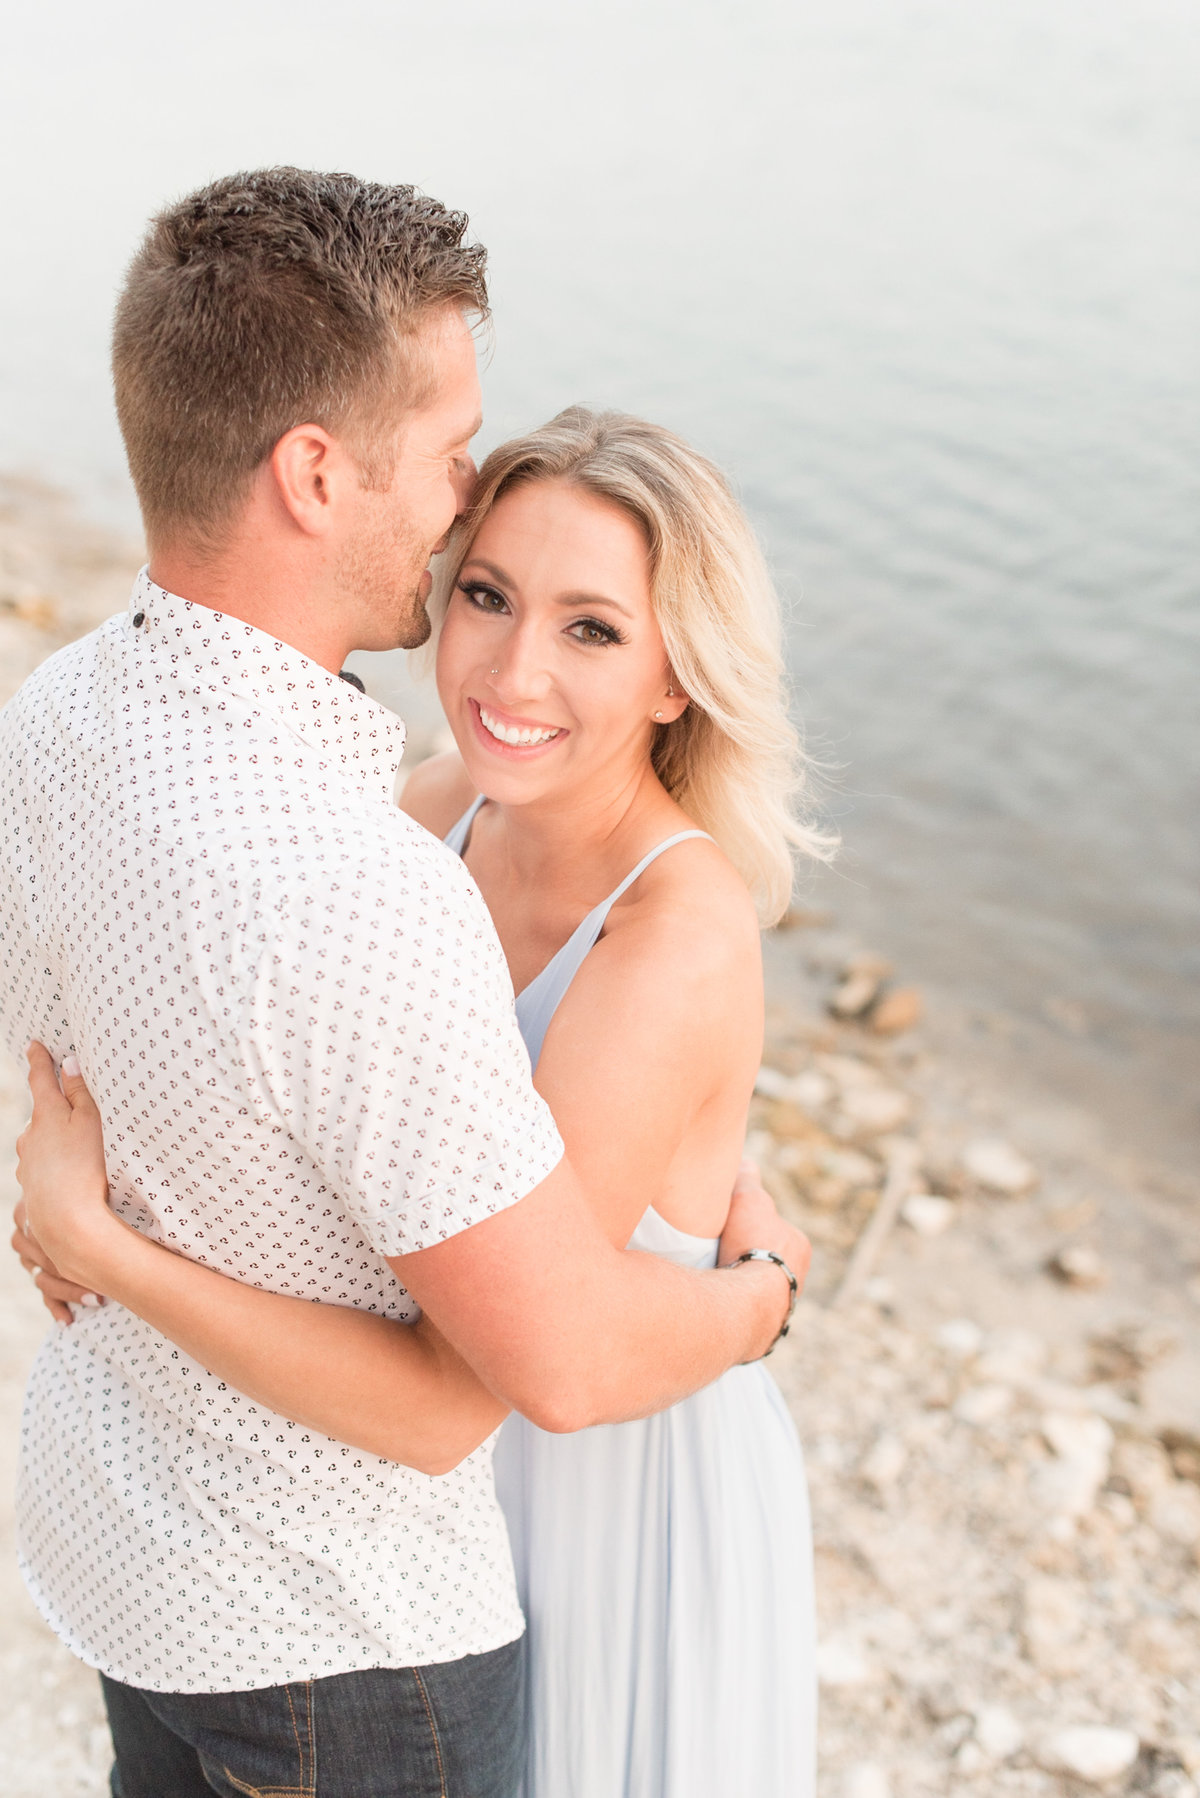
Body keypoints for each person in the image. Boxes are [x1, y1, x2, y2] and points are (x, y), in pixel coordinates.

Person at [0, 169, 808, 1797]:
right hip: (349, 1606)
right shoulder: (384, 858)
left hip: (250, 1540)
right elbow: (511, 1370)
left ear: (674, 669)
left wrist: (101, 1237)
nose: (459, 546)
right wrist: (764, 1291)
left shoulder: (60, 712)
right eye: (465, 501)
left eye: (593, 626)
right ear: (316, 471)